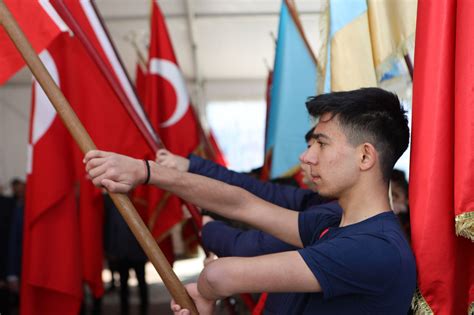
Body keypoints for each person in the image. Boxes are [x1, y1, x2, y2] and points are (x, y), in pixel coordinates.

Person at [84, 88, 416, 314]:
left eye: (322, 144)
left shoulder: (374, 248)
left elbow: (221, 276)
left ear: (365, 157)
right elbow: (244, 204)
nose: (306, 156)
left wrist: (206, 288)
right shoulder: (331, 222)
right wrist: (149, 172)